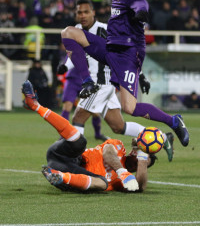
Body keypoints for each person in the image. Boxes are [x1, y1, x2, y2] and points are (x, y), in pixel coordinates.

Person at [60, 0, 189, 148]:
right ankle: (87, 82)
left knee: (130, 108)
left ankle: (173, 121)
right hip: (111, 48)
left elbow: (140, 2)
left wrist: (141, 13)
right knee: (69, 33)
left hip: (128, 55)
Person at [58, 0, 173, 161]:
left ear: (93, 13)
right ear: (75, 14)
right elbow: (75, 55)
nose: (82, 15)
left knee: (78, 118)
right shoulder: (76, 31)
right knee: (118, 126)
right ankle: (163, 136)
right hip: (100, 86)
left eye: (86, 12)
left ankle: (74, 159)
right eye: (79, 12)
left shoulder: (105, 30)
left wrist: (139, 75)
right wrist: (66, 66)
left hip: (101, 84)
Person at [22, 79, 157, 193]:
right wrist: (122, 171)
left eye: (140, 164)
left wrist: (143, 159)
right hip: (67, 156)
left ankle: (58, 176)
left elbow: (140, 188)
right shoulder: (119, 147)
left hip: (69, 173)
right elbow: (108, 151)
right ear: (133, 151)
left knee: (103, 184)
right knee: (80, 142)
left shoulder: (124, 183)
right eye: (138, 159)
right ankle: (35, 105)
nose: (137, 163)